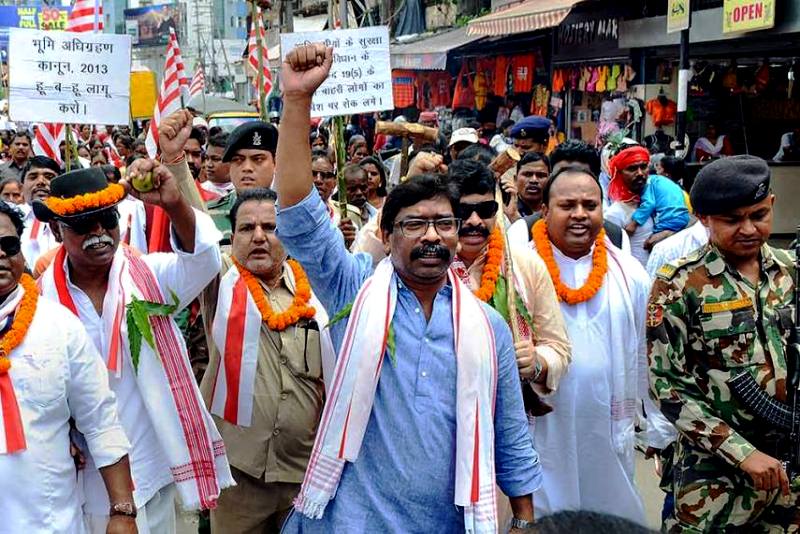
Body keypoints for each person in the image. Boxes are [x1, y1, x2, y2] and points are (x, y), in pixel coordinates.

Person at [276, 42, 541, 534]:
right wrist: (296, 103)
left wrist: (524, 521)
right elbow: (298, 215)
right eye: (414, 224)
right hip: (351, 522)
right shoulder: (354, 294)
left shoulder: (487, 327)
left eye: (444, 223)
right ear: (389, 233)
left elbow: (510, 432)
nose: (431, 236)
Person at [36, 164, 234, 533]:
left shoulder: (150, 277)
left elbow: (204, 260)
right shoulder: (40, 303)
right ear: (55, 230)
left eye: (106, 219)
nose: (98, 232)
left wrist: (174, 206)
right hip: (86, 479)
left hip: (153, 467)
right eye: (82, 225)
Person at [648, 156, 800, 531]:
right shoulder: (680, 284)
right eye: (732, 220)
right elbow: (667, 387)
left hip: (787, 470)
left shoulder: (790, 273)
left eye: (759, 215)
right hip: (713, 477)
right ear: (704, 218)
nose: (748, 228)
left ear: (773, 205)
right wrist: (743, 454)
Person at [527, 165, 671, 525]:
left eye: (590, 205)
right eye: (567, 205)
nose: (579, 214)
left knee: (609, 518)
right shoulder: (520, 270)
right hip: (543, 425)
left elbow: (647, 353)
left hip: (605, 423)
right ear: (545, 211)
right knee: (549, 518)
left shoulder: (630, 273)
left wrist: (657, 423)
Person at [199, 188, 332, 533]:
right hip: (239, 478)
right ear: (232, 237)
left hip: (304, 477)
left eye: (270, 227)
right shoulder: (221, 281)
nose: (259, 236)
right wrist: (176, 163)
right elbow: (195, 232)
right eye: (246, 228)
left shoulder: (316, 290)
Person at [0, 201, 136, 532]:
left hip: (47, 520)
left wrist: (122, 512)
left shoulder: (58, 325)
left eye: (8, 244)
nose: (1, 254)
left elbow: (100, 418)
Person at [447, 158, 571, 401]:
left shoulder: (525, 264)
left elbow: (558, 347)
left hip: (507, 407)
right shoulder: (429, 265)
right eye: (463, 212)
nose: (475, 221)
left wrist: (537, 363)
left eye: (485, 211)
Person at [204, 120, 277, 246]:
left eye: (258, 159)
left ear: (275, 163)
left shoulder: (290, 215)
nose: (247, 168)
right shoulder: (208, 216)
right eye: (238, 160)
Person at [604, 144, 657, 266]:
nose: (640, 173)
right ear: (620, 174)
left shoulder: (657, 200)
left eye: (643, 167)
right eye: (632, 169)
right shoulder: (615, 213)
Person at [19, 155, 60, 268]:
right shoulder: (7, 219)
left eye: (49, 177)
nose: (41, 182)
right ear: (21, 188)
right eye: (33, 177)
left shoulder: (70, 220)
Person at [623, 173, 689, 238]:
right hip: (682, 216)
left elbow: (649, 204)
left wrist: (634, 224)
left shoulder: (647, 184)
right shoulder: (658, 180)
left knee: (650, 242)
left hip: (670, 218)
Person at [514, 152, 550, 218]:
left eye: (541, 175)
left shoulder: (554, 210)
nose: (534, 180)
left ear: (550, 180)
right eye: (527, 174)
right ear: (515, 179)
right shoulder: (504, 211)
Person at [201, 132, 233, 200]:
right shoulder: (200, 191)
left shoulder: (243, 191)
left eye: (215, 159)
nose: (209, 165)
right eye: (206, 158)